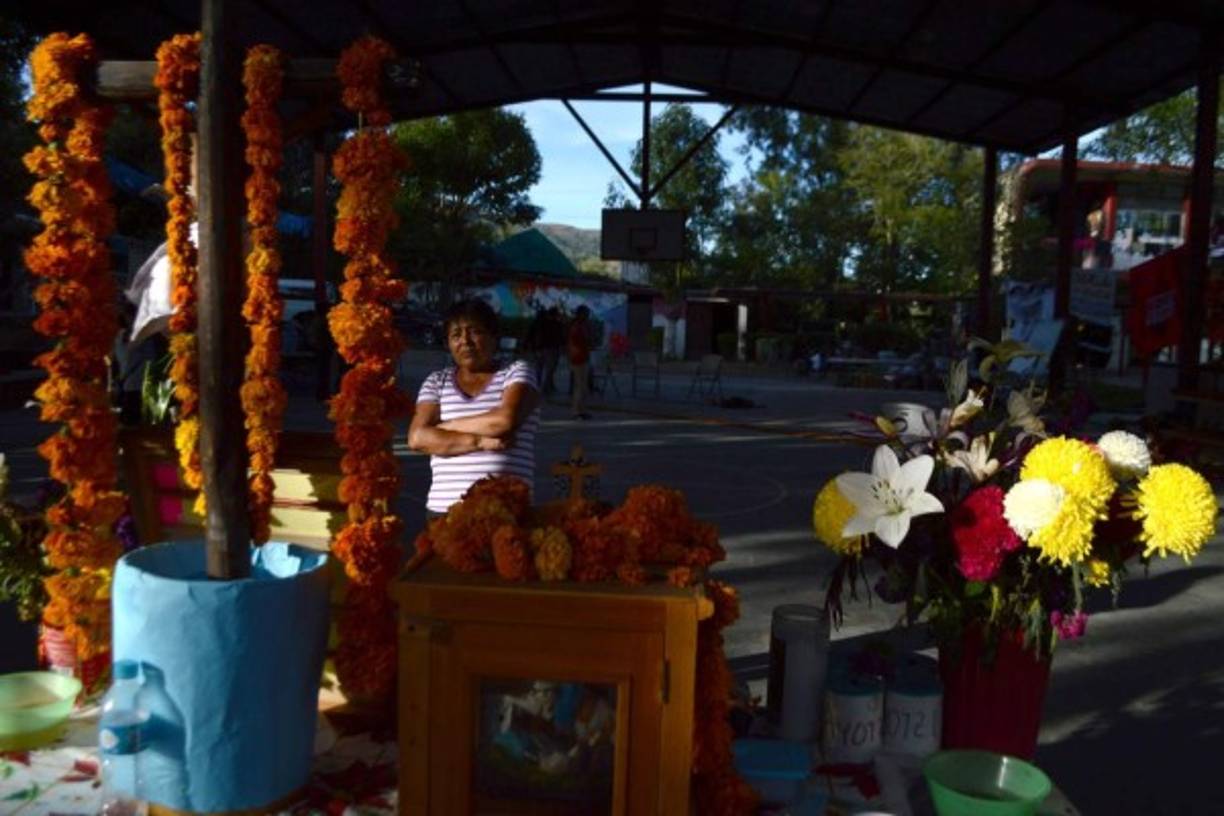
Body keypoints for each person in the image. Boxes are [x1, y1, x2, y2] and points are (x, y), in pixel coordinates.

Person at [408, 299, 540, 518]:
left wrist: (445, 427)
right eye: (456, 335)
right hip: (444, 512)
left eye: (475, 332)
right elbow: (417, 438)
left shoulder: (517, 371)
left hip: (508, 510)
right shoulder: (436, 381)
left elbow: (504, 420)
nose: (465, 342)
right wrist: (480, 441)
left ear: (494, 337)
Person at [567, 306, 592, 420]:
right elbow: (580, 341)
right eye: (586, 314)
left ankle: (582, 410)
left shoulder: (581, 326)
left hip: (583, 357)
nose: (587, 316)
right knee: (579, 385)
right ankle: (576, 411)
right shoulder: (577, 327)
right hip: (578, 358)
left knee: (583, 386)